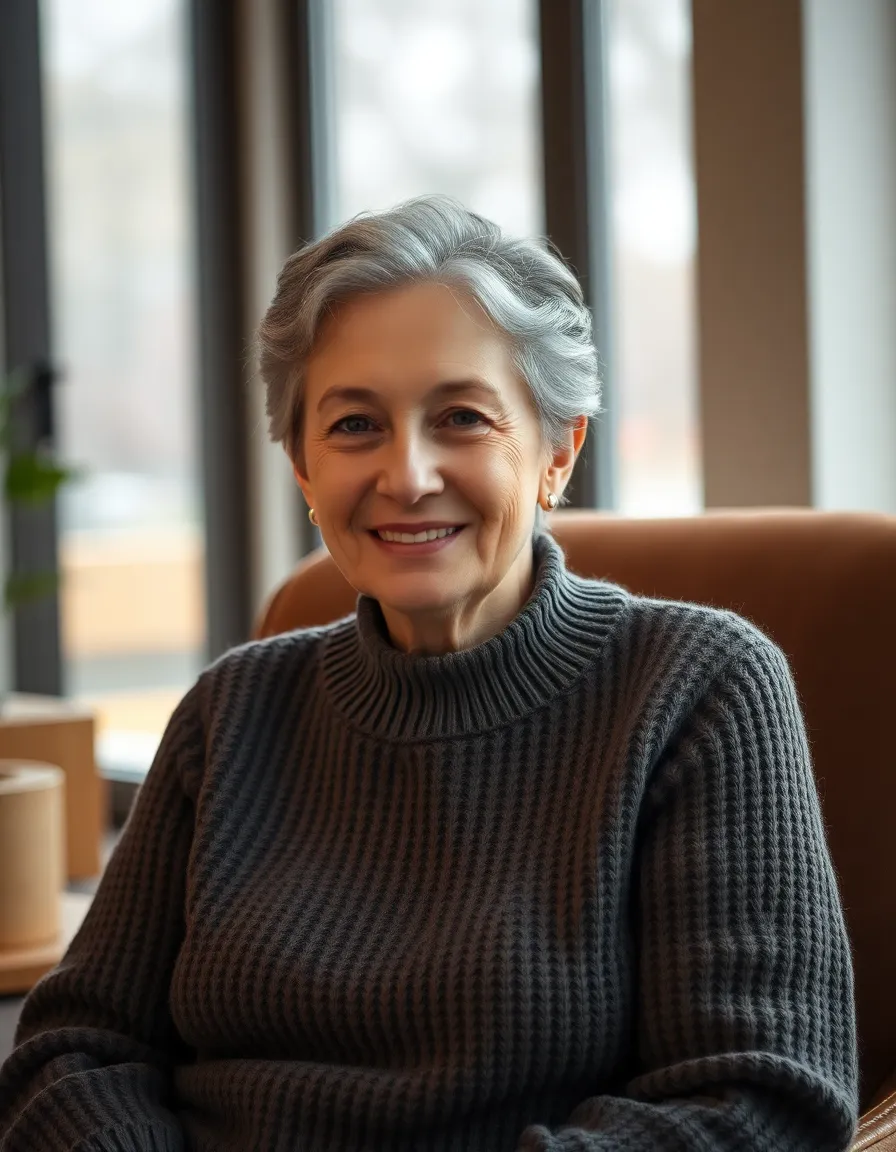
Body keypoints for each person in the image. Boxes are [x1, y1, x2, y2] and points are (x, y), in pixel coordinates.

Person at [0, 196, 858, 1151]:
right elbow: (73, 1049)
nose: (406, 475)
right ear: (302, 469)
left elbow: (755, 1103)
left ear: (556, 452)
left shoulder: (699, 689)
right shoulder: (231, 711)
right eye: (354, 426)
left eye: (460, 417)